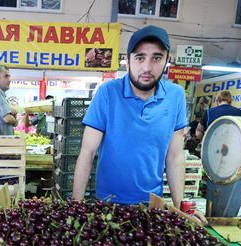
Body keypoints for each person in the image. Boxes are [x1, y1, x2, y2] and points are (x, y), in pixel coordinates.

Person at [72, 25, 190, 211]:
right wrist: (76, 206)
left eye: (157, 58)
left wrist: (182, 208)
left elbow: (174, 156)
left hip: (152, 205)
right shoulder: (107, 93)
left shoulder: (175, 96)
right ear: (128, 61)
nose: (147, 67)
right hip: (108, 204)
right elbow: (88, 151)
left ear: (167, 60)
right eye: (140, 57)